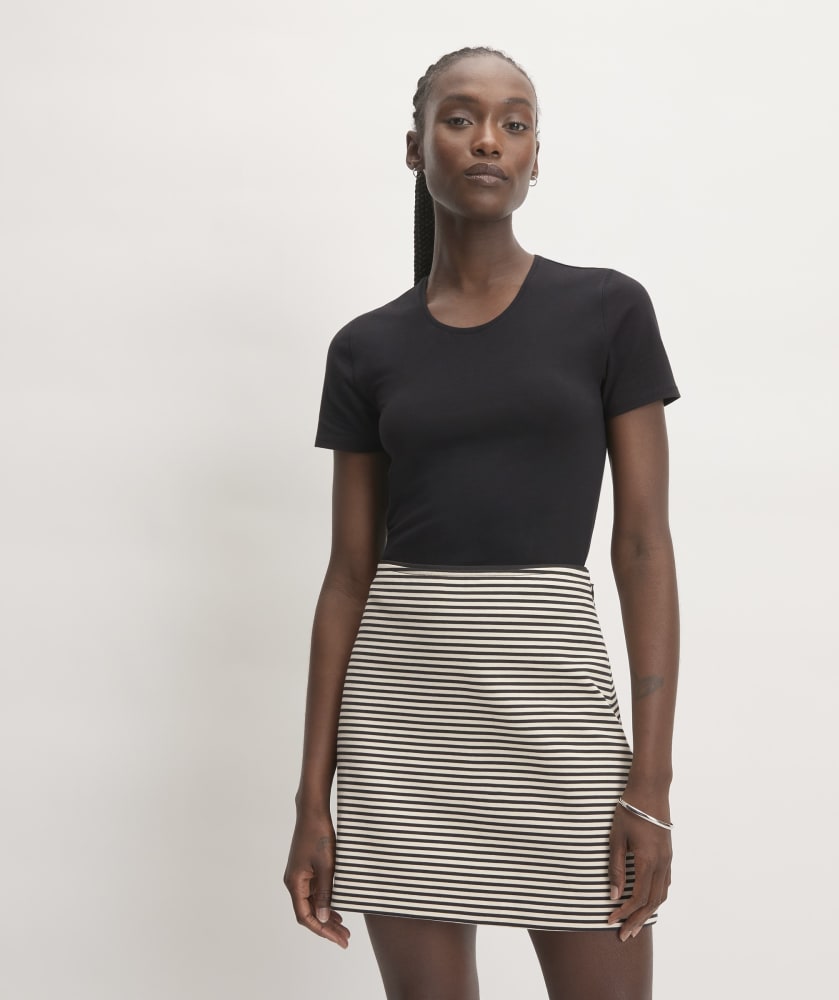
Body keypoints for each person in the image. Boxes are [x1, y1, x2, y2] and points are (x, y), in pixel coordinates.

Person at [283, 45, 681, 1000]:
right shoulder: (366, 347)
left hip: (556, 708)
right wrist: (312, 800)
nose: (489, 140)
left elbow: (641, 547)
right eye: (459, 118)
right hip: (403, 725)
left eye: (515, 121)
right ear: (415, 147)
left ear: (538, 154)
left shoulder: (608, 310)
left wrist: (651, 781)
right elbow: (348, 575)